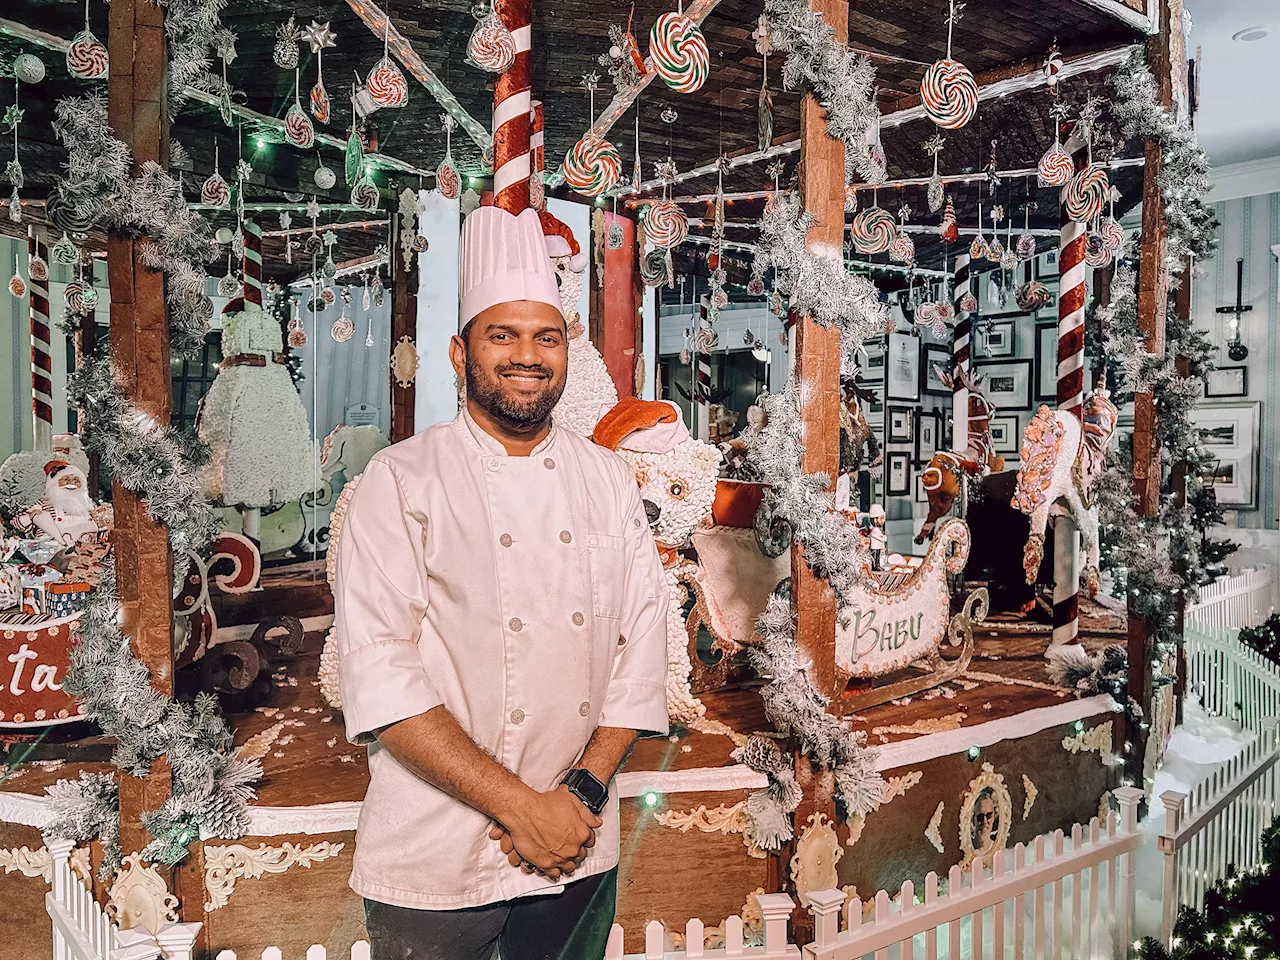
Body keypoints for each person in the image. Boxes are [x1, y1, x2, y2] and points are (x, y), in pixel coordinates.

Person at [334, 202, 670, 960]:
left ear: (566, 350)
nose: (527, 355)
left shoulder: (608, 480)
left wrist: (578, 794)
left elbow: (643, 643)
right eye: (503, 336)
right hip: (434, 851)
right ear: (461, 355)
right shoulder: (400, 481)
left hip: (576, 841)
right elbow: (382, 675)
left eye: (545, 337)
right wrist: (521, 807)